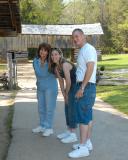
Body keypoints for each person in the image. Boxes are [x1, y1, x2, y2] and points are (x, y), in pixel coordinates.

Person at [68, 29, 97, 158]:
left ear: (83, 36)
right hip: (86, 86)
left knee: (83, 118)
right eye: (73, 37)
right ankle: (88, 142)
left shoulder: (88, 49)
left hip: (86, 87)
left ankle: (83, 146)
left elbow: (90, 68)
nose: (75, 39)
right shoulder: (83, 50)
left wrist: (82, 88)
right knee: (87, 116)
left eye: (77, 36)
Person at [49, 48, 77, 143]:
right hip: (69, 87)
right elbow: (61, 81)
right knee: (66, 108)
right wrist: (63, 94)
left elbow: (68, 81)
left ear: (60, 55)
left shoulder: (65, 64)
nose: (54, 56)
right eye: (52, 55)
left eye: (56, 54)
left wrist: (67, 94)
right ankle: (69, 131)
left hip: (76, 86)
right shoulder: (56, 67)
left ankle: (73, 134)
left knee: (71, 109)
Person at [32, 43, 58, 136]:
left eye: (45, 50)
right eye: (41, 50)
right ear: (39, 50)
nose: (43, 52)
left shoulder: (51, 62)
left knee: (49, 108)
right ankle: (42, 125)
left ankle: (49, 127)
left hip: (50, 87)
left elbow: (43, 73)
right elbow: (38, 74)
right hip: (40, 87)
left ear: (48, 52)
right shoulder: (35, 61)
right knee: (41, 108)